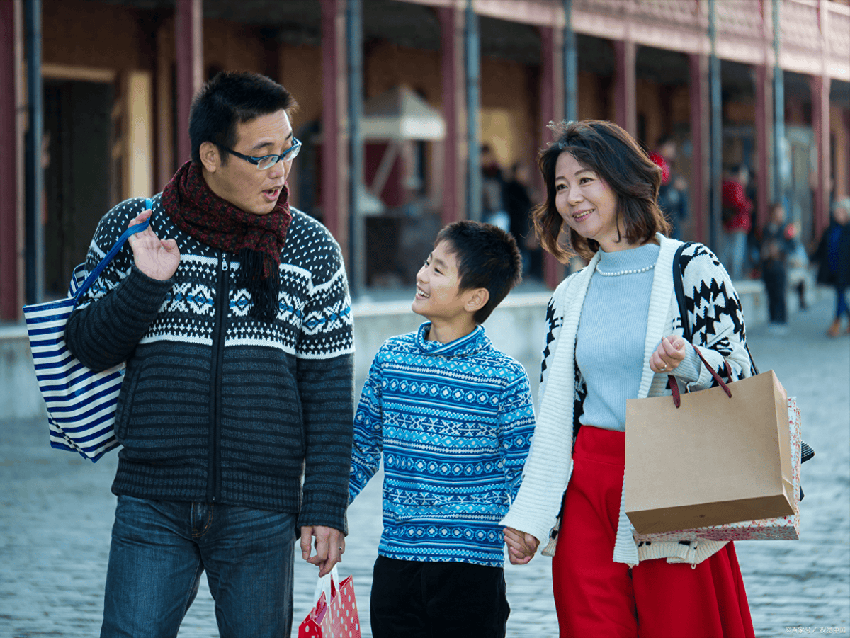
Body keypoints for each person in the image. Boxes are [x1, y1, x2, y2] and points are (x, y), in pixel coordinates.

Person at [65, 71, 355, 638]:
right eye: (263, 154)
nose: (281, 168)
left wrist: (325, 505)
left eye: (289, 147)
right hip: (152, 500)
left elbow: (326, 391)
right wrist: (145, 284)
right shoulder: (135, 227)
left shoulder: (313, 249)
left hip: (263, 508)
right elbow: (87, 345)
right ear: (211, 155)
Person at [500, 120, 756, 638]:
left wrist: (687, 361)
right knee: (590, 624)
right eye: (561, 187)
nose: (572, 198)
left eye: (586, 180)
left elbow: (743, 374)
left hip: (672, 475)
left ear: (621, 179)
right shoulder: (567, 297)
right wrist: (531, 512)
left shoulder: (691, 267)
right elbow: (556, 416)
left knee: (681, 626)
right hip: (589, 482)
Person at [349, 220, 535, 638]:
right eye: (426, 262)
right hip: (397, 563)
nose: (421, 275)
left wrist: (532, 527)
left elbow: (523, 468)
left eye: (438, 269)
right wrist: (323, 511)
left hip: (472, 570)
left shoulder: (505, 378)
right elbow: (361, 448)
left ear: (474, 297)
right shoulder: (390, 359)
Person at [812, 197, 850, 336]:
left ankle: (836, 323)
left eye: (840, 211)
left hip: (845, 269)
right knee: (840, 295)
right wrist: (812, 259)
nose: (837, 214)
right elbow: (822, 248)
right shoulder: (831, 229)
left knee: (840, 294)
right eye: (836, 211)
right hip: (832, 268)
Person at [504, 162, 543, 280]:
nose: (525, 175)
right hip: (518, 224)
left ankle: (527, 274)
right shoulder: (513, 187)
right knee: (519, 249)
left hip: (527, 224)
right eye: (523, 172)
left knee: (527, 249)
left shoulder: (525, 187)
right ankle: (520, 274)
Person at [760, 202, 794, 333]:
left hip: (780, 266)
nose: (779, 214)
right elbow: (759, 243)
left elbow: (792, 246)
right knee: (770, 293)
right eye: (777, 211)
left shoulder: (787, 228)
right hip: (768, 266)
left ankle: (782, 320)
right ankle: (772, 319)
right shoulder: (766, 228)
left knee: (780, 293)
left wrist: (779, 248)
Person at [650, 137, 688, 240]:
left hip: (667, 208)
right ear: (663, 147)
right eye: (671, 147)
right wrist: (674, 184)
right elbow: (660, 184)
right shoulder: (656, 160)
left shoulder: (665, 162)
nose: (673, 150)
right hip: (663, 208)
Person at [721, 165, 754, 280]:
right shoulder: (736, 185)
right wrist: (748, 205)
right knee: (736, 253)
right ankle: (734, 276)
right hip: (738, 223)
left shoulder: (726, 184)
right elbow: (738, 203)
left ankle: (725, 274)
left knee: (728, 250)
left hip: (730, 223)